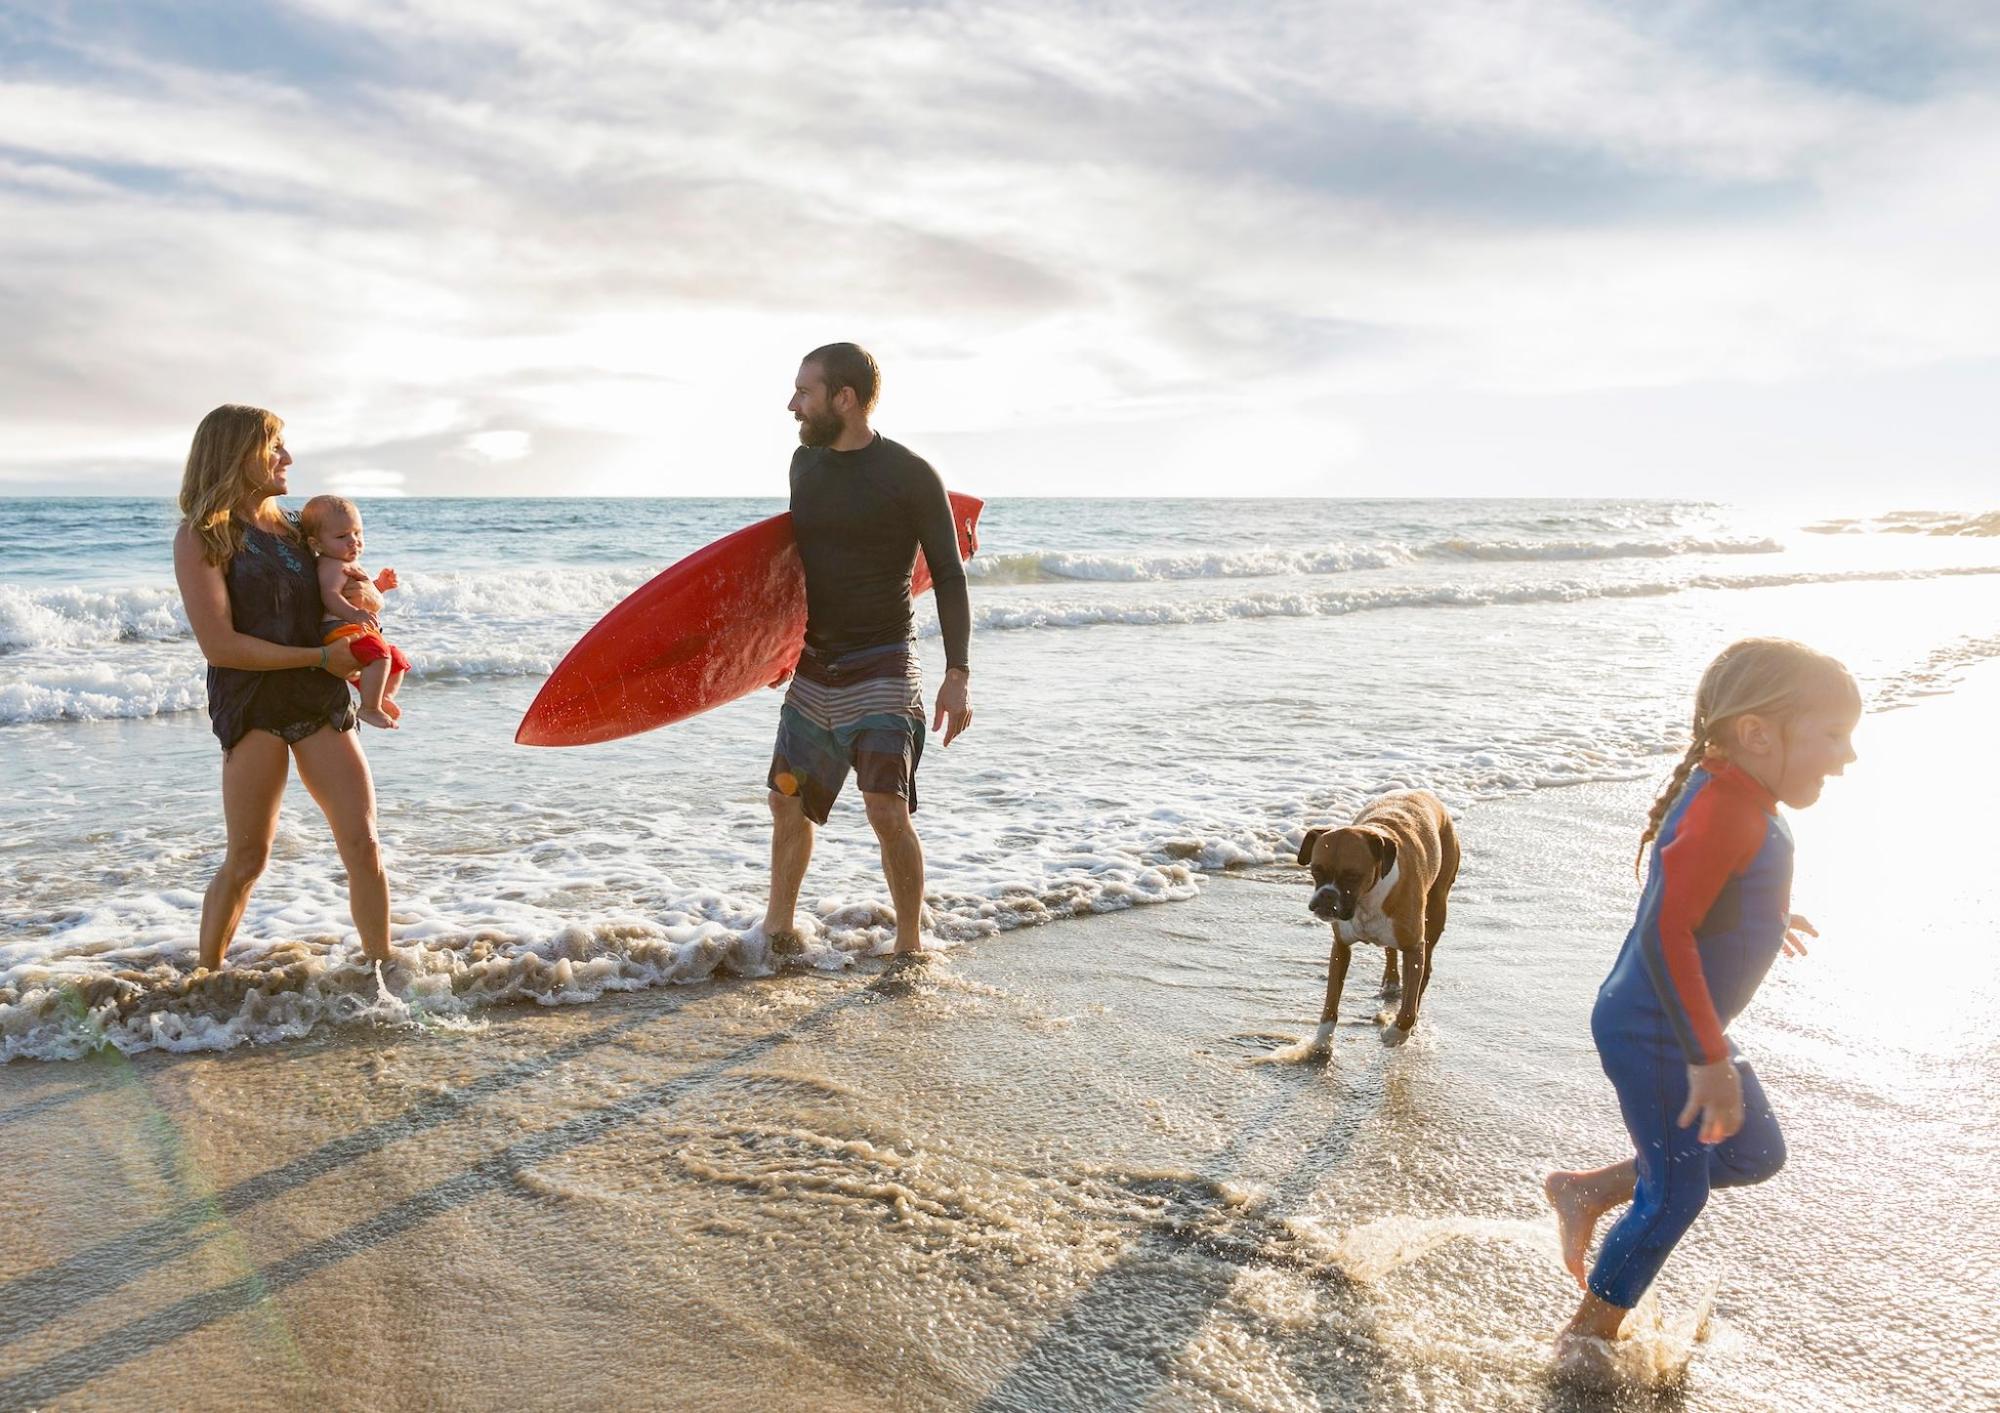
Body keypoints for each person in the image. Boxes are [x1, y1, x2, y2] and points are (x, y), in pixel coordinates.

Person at [1545, 637, 1861, 1346]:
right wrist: (1708, 1057)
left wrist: (1763, 916)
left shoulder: (1740, 790)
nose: (1848, 755)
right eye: (1834, 734)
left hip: (1682, 1025)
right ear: (1756, 732)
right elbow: (1664, 933)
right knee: (1676, 1193)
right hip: (1657, 1031)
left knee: (1756, 1151)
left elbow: (1705, 892)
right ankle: (1585, 1338)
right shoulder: (1726, 803)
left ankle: (1588, 1189)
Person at [759, 343, 973, 958]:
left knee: (885, 808)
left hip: (883, 662)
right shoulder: (805, 466)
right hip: (815, 663)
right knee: (787, 800)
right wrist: (771, 649)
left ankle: (909, 947)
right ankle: (777, 933)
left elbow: (949, 576)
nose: (793, 404)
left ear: (843, 399)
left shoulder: (909, 475)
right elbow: (798, 569)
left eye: (805, 392)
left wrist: (956, 673)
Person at [171, 405, 394, 971]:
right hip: (252, 704)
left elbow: (338, 597)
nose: (287, 458)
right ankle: (206, 979)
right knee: (248, 857)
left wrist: (361, 618)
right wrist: (322, 656)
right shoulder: (204, 535)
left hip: (318, 699)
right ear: (235, 453)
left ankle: (383, 973)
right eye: (274, 447)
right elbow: (219, 646)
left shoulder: (300, 529)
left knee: (363, 845)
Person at [301, 494, 409, 729]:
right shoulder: (330, 565)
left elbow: (358, 595)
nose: (353, 541)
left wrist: (379, 586)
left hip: (353, 627)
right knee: (380, 653)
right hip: (339, 629)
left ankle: (383, 696)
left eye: (357, 533)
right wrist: (354, 615)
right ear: (316, 544)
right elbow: (330, 596)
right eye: (342, 536)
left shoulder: (347, 564)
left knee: (396, 658)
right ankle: (369, 708)